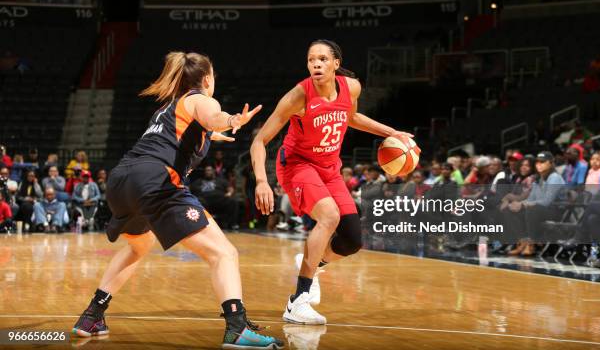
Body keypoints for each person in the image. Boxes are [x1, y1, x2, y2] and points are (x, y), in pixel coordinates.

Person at [71, 51, 283, 349]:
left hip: (121, 181)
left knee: (138, 246)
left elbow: (182, 133)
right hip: (155, 180)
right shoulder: (201, 98)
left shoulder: (166, 109)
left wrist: (211, 134)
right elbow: (213, 115)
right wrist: (231, 120)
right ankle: (237, 328)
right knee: (224, 253)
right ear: (208, 79)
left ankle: (92, 315)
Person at [250, 39, 412, 324]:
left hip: (329, 168)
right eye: (312, 59)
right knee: (329, 215)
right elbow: (260, 141)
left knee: (351, 240)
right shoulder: (297, 96)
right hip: (298, 166)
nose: (316, 64)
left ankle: (312, 263)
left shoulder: (351, 87)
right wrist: (262, 181)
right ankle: (297, 301)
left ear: (336, 64)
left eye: (323, 59)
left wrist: (392, 132)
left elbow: (351, 117)